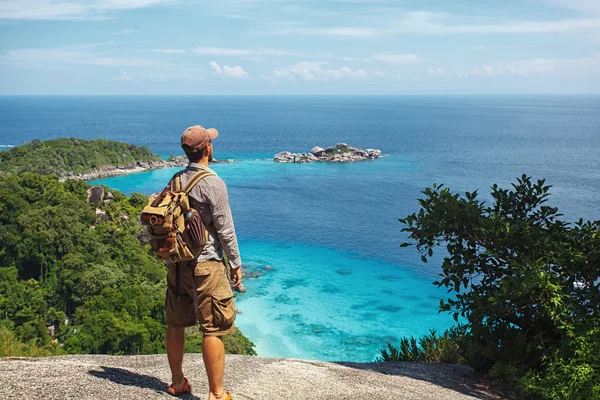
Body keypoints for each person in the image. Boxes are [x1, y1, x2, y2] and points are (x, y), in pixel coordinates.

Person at [164, 125, 243, 400]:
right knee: (213, 328)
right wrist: (235, 264)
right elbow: (225, 228)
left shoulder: (175, 179)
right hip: (206, 266)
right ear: (208, 148)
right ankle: (217, 394)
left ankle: (177, 382)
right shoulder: (213, 183)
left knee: (175, 323)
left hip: (176, 265)